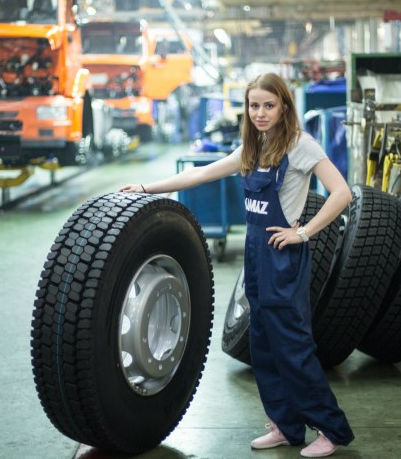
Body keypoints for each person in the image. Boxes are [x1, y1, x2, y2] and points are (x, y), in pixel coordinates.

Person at [119, 72, 354, 458]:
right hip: (256, 255)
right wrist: (146, 187)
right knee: (262, 345)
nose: (260, 113)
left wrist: (303, 232)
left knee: (292, 347)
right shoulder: (253, 147)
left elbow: (341, 192)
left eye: (269, 105)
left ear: (284, 107)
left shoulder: (300, 145)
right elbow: (199, 174)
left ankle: (330, 429)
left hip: (283, 258)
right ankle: (285, 426)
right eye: (254, 105)